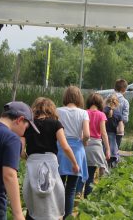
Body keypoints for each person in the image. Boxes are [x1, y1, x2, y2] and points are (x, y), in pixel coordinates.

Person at [22, 97, 79, 220]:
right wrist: (75, 163)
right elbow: (65, 147)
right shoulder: (55, 124)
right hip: (50, 163)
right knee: (52, 193)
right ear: (51, 109)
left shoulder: (28, 125)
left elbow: (21, 149)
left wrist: (26, 156)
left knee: (33, 194)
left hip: (33, 162)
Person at [56, 86, 90, 219]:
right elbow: (86, 134)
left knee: (58, 187)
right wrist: (84, 141)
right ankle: (67, 217)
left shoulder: (58, 111)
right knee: (70, 190)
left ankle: (56, 214)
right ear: (79, 98)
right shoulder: (83, 113)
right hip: (76, 151)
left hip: (60, 149)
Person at [76, 93, 110, 198]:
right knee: (90, 175)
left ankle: (77, 192)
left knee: (81, 172)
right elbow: (103, 133)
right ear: (100, 103)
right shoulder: (101, 115)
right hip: (95, 147)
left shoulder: (83, 113)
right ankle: (87, 197)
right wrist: (108, 149)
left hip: (83, 145)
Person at [104, 94, 124, 168]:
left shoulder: (102, 111)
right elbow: (121, 130)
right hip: (112, 139)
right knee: (113, 159)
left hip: (102, 138)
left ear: (106, 101)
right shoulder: (118, 114)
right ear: (117, 103)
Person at [111, 79, 129, 149]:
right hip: (119, 129)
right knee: (116, 149)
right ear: (124, 89)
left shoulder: (108, 98)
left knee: (106, 149)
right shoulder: (125, 102)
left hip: (107, 129)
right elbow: (125, 119)